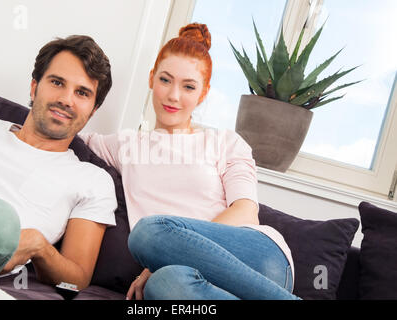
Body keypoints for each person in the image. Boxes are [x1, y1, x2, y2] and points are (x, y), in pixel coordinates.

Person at [80, 23, 300, 300]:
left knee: (147, 233)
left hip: (260, 261)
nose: (174, 95)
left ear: (203, 93)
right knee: (165, 284)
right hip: (193, 280)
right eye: (165, 80)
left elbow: (245, 211)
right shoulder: (125, 145)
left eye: (188, 86)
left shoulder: (224, 143)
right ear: (151, 78)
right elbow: (63, 131)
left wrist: (168, 252)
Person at [0, 35, 117, 290]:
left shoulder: (92, 180)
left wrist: (39, 246)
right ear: (34, 87)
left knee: (1, 222)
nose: (66, 99)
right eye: (57, 82)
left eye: (82, 93)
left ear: (93, 110)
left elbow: (76, 280)